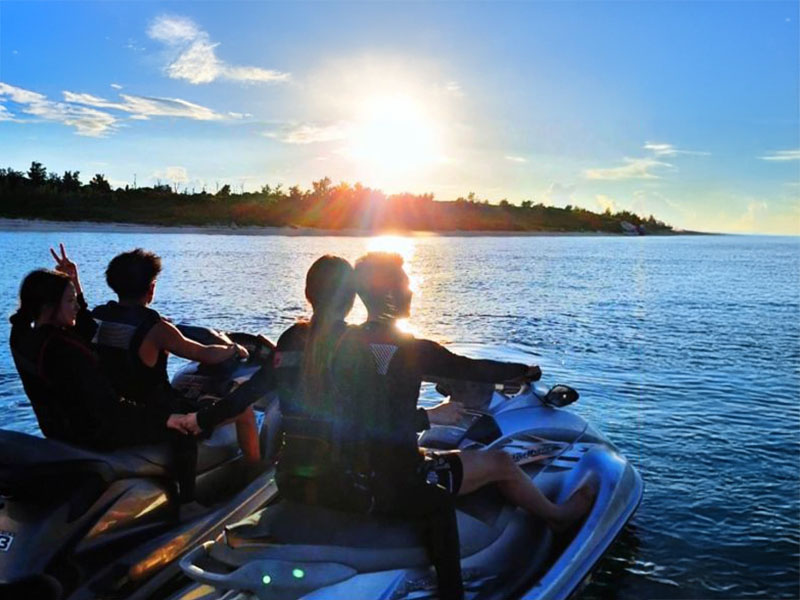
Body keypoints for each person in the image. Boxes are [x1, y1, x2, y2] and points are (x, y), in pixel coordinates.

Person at [331, 252, 596, 597]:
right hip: (398, 481)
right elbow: (470, 369)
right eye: (405, 283)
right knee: (499, 463)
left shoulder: (344, 344)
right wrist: (522, 371)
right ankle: (555, 518)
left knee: (437, 453)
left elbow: (360, 415)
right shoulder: (411, 348)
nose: (412, 291)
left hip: (354, 471)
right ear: (390, 295)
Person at [8, 246, 197, 498]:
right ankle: (188, 503)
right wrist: (165, 419)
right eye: (70, 301)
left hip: (58, 429)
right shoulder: (65, 350)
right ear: (49, 306)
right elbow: (109, 409)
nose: (76, 306)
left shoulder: (23, 336)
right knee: (182, 427)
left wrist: (73, 282)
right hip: (94, 434)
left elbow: (85, 329)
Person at [91, 249, 261, 464]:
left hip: (120, 415)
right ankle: (255, 470)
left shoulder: (97, 316)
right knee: (243, 410)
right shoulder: (157, 329)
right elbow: (204, 354)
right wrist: (234, 349)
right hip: (157, 415)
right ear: (151, 288)